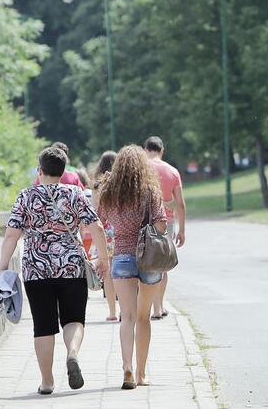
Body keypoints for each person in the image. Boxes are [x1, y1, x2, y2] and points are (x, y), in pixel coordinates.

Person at [0, 147, 110, 395]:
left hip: (36, 269)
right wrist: (103, 259)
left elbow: (11, 236)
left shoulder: (26, 196)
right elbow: (97, 228)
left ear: (40, 171)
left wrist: (2, 268)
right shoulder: (75, 194)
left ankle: (47, 382)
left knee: (43, 325)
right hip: (71, 266)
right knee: (73, 319)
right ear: (62, 171)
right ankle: (72, 354)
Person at [96, 145, 167, 389]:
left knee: (126, 317)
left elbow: (101, 222)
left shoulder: (109, 195)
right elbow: (161, 227)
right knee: (143, 318)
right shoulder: (150, 192)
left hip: (122, 258)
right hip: (147, 259)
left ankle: (126, 368)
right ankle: (141, 373)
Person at [143, 136, 186, 320]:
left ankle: (146, 305)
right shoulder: (173, 171)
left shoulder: (142, 169)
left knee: (146, 264)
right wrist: (181, 229)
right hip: (165, 223)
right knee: (162, 264)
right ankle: (159, 307)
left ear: (146, 150)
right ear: (161, 151)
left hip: (144, 222)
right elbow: (180, 204)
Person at [91, 151, 119, 322]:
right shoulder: (121, 184)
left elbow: (95, 208)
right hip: (121, 229)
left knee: (108, 273)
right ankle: (126, 309)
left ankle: (112, 311)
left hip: (104, 231)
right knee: (124, 274)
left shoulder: (96, 185)